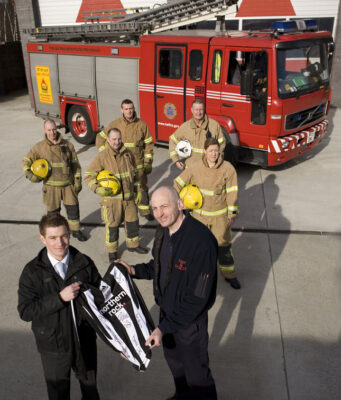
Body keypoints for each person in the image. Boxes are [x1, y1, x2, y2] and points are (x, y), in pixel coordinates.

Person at [117, 186, 218, 400]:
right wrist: (133, 271)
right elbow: (159, 265)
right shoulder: (163, 231)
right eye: (154, 208)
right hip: (167, 316)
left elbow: (198, 298)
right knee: (176, 367)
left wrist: (163, 328)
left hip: (189, 324)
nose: (159, 213)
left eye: (164, 206)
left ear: (180, 204)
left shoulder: (202, 242)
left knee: (198, 378)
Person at [17, 213, 101, 400]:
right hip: (53, 345)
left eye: (64, 236)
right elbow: (25, 310)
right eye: (53, 238)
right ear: (42, 238)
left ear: (69, 234)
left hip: (84, 339)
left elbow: (101, 297)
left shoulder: (84, 263)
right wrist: (59, 298)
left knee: (90, 389)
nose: (60, 243)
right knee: (58, 393)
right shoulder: (32, 272)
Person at [174, 137, 241, 289]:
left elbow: (232, 193)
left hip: (220, 218)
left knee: (224, 247)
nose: (214, 154)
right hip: (199, 218)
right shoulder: (195, 167)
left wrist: (232, 214)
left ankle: (229, 275)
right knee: (198, 248)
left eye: (216, 151)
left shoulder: (228, 169)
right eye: (210, 151)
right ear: (204, 151)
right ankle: (195, 276)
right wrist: (180, 200)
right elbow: (177, 183)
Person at [85, 127, 148, 263]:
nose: (117, 142)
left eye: (119, 139)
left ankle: (133, 245)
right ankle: (112, 251)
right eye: (113, 139)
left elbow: (135, 174)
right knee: (112, 227)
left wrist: (138, 189)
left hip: (129, 199)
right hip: (112, 202)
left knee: (132, 223)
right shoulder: (101, 157)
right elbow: (88, 176)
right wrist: (97, 189)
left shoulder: (128, 154)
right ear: (108, 140)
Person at [22, 119, 87, 241]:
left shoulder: (68, 145)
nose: (52, 133)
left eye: (54, 129)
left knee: (73, 210)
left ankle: (76, 231)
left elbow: (75, 165)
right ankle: (54, 234)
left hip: (68, 185)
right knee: (52, 214)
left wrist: (77, 181)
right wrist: (30, 175)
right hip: (51, 187)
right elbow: (26, 161)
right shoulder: (39, 147)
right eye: (49, 130)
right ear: (44, 130)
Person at [95, 99, 154, 220]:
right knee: (124, 187)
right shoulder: (114, 124)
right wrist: (106, 154)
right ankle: (124, 213)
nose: (129, 111)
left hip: (138, 165)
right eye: (126, 109)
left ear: (134, 109)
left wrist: (148, 161)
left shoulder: (142, 125)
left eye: (131, 108)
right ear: (122, 110)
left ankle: (145, 211)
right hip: (121, 164)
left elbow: (149, 144)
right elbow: (100, 138)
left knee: (141, 187)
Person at [169, 98, 226, 170]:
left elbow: (222, 143)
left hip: (208, 169)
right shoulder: (185, 126)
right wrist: (176, 160)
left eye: (201, 109)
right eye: (196, 110)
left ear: (204, 110)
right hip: (190, 169)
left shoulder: (214, 125)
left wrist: (215, 158)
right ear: (192, 110)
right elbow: (172, 140)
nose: (198, 112)